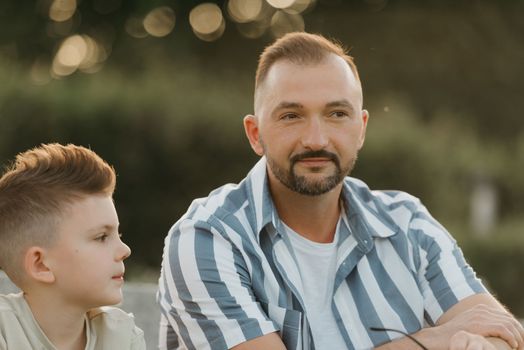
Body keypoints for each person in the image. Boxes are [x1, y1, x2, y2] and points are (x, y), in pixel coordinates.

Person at [157, 32, 524, 350]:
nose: (316, 139)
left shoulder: (407, 223)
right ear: (255, 134)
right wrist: (430, 341)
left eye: (336, 114)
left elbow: (500, 334)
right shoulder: (207, 238)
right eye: (291, 116)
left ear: (361, 128)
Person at [0, 143, 145, 350]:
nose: (125, 251)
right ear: (41, 264)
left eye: (118, 234)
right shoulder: (5, 332)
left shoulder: (122, 336)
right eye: (102, 237)